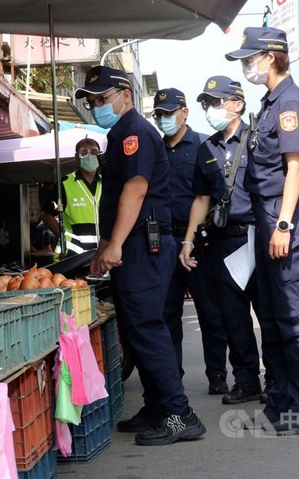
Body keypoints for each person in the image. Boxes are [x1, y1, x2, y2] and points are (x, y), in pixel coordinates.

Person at [79, 65, 205, 446]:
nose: (98, 106)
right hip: (134, 244)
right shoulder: (120, 134)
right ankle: (157, 406)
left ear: (126, 95)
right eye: (93, 101)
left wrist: (114, 245)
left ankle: (180, 416)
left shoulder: (135, 133)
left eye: (104, 98)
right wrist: (107, 246)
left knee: (147, 327)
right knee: (136, 329)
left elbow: (135, 190)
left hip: (142, 244)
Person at [225, 27, 299, 435]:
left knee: (294, 317)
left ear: (271, 57)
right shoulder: (268, 104)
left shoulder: (289, 102)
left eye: (251, 57)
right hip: (264, 219)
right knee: (272, 317)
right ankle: (282, 400)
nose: (247, 64)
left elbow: (296, 167)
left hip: (283, 218)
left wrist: (283, 224)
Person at [179, 76, 274, 405]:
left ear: (238, 104)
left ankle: (275, 377)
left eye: (217, 102)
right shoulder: (207, 148)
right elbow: (201, 198)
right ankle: (246, 379)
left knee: (267, 312)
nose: (211, 109)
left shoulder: (257, 140)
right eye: (207, 103)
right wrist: (188, 240)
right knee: (233, 317)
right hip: (222, 242)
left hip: (257, 237)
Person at [152, 87, 229, 396]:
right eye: (159, 115)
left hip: (197, 239)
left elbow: (213, 192)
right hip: (163, 239)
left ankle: (217, 374)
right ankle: (173, 379)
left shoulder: (202, 146)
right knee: (167, 314)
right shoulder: (154, 149)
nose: (163, 119)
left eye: (168, 113)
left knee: (209, 310)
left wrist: (201, 235)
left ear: (184, 112)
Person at [40, 138, 103, 260]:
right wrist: (64, 236)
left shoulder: (108, 183)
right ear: (76, 157)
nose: (89, 156)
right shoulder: (64, 184)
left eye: (93, 152)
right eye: (83, 152)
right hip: (75, 255)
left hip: (104, 253)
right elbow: (47, 215)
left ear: (99, 155)